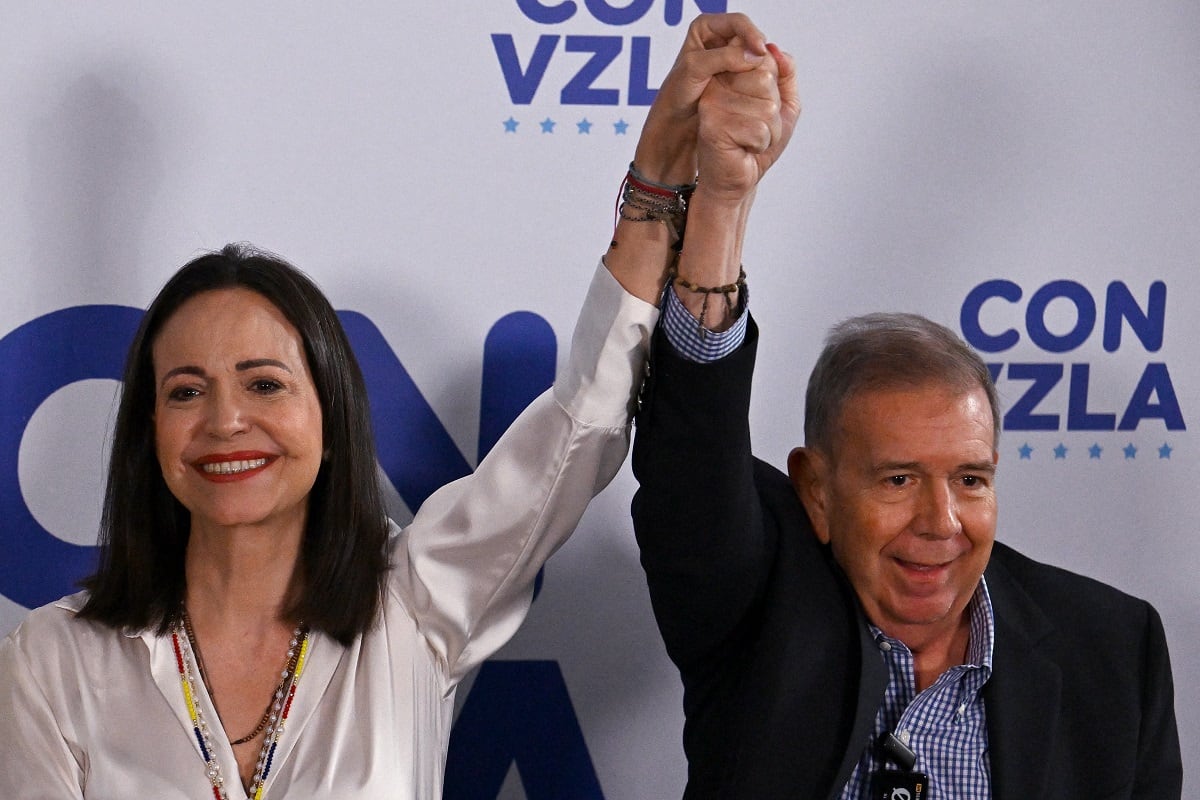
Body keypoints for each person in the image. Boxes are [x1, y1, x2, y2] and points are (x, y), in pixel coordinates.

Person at [0, 13, 787, 800]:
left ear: (332, 417)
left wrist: (659, 183)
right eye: (186, 391)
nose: (225, 421)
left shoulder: (417, 601)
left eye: (265, 383)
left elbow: (581, 424)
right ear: (149, 431)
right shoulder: (51, 662)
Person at [629, 21, 1183, 800]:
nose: (940, 522)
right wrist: (723, 198)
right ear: (816, 492)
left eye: (970, 479)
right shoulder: (758, 600)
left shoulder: (1112, 651)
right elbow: (691, 457)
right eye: (895, 480)